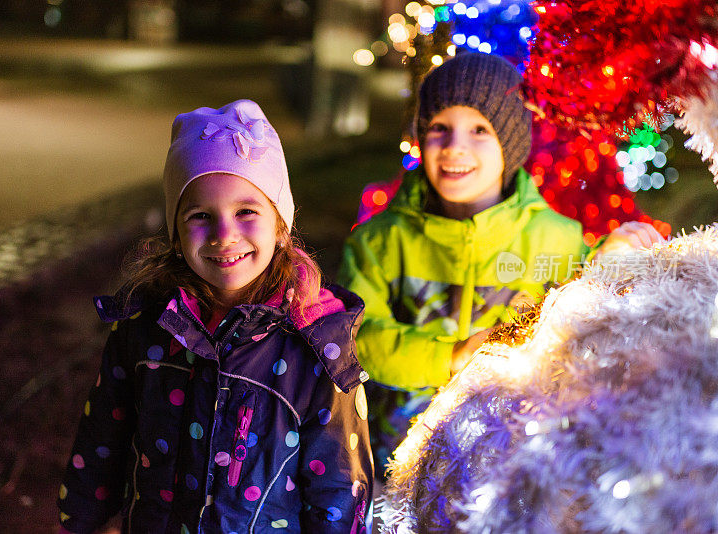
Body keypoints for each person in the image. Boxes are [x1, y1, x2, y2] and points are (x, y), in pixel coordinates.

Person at [336, 51, 663, 480]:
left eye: (479, 130)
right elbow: (356, 339)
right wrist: (450, 356)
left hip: (506, 462)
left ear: (510, 141)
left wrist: (609, 258)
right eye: (439, 128)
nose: (455, 147)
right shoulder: (378, 241)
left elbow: (583, 309)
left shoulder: (554, 238)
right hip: (395, 461)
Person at [58, 99, 372, 533]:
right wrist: (80, 524)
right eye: (201, 216)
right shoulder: (144, 326)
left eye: (246, 211)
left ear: (280, 225)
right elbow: (100, 444)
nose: (225, 235)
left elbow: (339, 490)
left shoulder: (315, 348)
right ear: (176, 232)